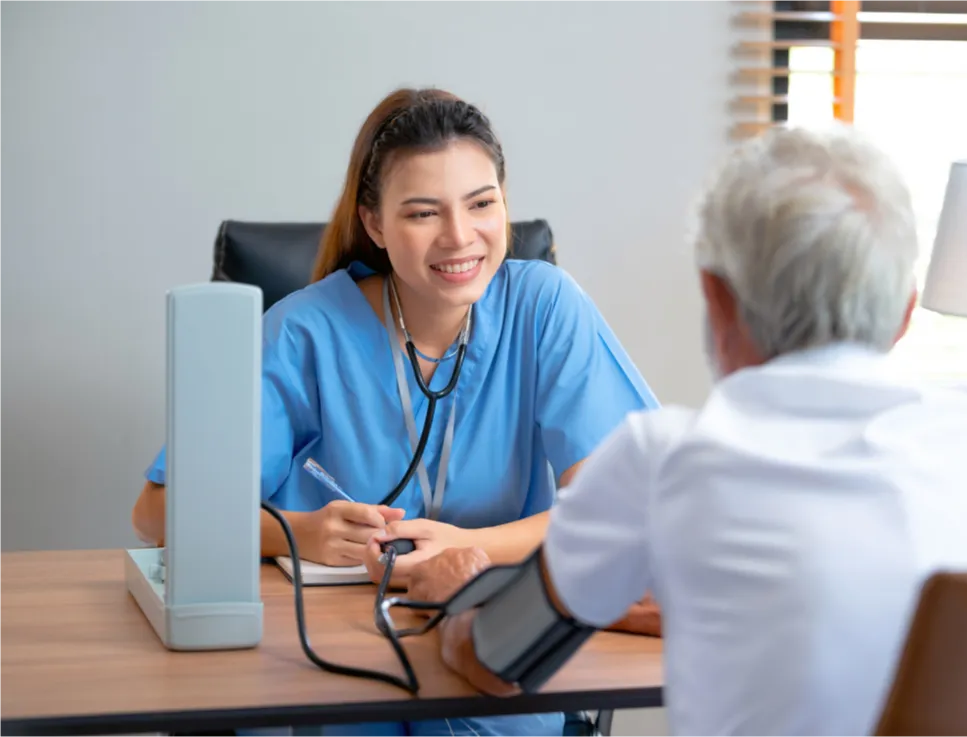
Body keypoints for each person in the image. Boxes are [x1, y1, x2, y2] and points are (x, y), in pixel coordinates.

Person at [396, 124, 967, 737]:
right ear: (905, 313)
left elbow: (499, 661)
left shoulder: (663, 458)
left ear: (716, 297)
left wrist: (461, 615)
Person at [130, 87, 660, 737]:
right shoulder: (306, 330)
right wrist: (301, 531)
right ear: (375, 224)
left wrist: (469, 547)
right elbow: (156, 510)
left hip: (489, 663)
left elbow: (620, 504)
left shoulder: (545, 307)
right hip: (332, 665)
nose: (460, 237)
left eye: (481, 203)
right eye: (422, 213)